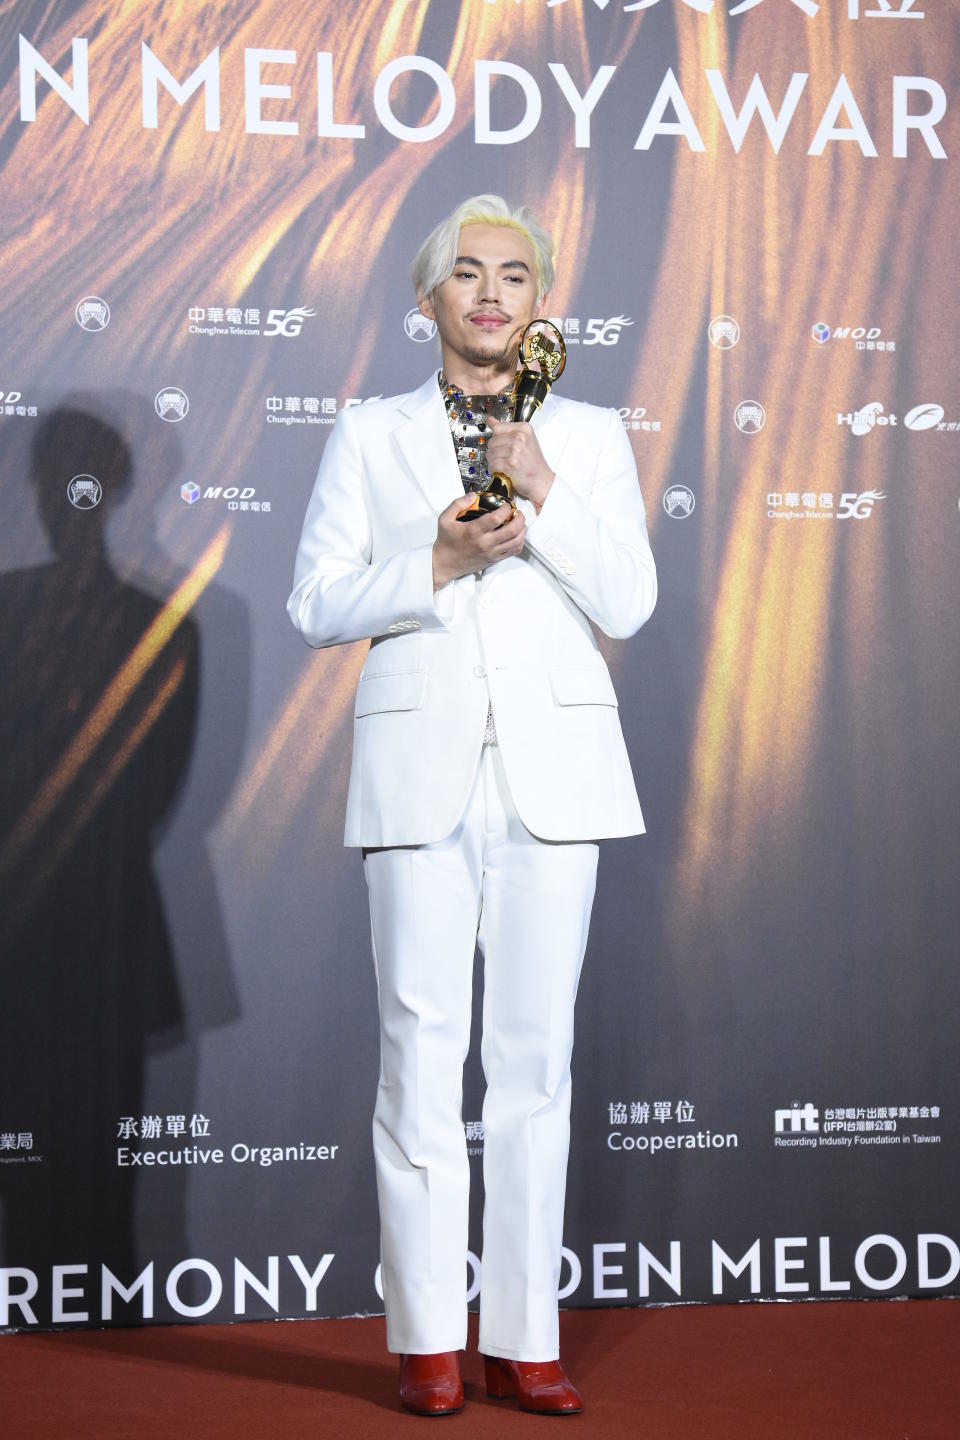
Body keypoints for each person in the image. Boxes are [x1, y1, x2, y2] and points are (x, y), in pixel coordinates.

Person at [287, 194, 657, 1416]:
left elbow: (631, 602)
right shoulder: (370, 432)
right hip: (417, 771)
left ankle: (526, 1334)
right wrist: (434, 566)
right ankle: (428, 1336)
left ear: (540, 302)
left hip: (554, 776)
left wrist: (542, 488)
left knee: (533, 1063)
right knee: (418, 1054)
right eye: (467, 273)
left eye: (514, 274)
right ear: (428, 297)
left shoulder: (590, 435)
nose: (491, 293)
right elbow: (317, 603)